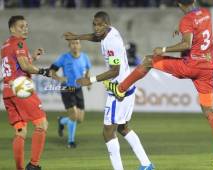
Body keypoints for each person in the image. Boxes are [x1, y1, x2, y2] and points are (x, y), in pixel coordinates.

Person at [104, 0, 213, 167]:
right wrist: (186, 31)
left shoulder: (186, 20)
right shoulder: (206, 13)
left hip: (190, 66)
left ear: (179, 4)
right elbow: (198, 33)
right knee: (208, 109)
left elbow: (187, 43)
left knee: (149, 60)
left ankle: (120, 89)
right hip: (207, 68)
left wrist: (163, 49)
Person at [64, 11, 154, 170]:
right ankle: (146, 164)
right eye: (95, 24)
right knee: (123, 128)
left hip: (118, 90)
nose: (96, 27)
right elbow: (96, 37)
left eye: (100, 24)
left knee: (107, 132)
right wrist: (77, 36)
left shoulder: (111, 43)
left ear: (107, 24)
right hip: (128, 86)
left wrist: (90, 80)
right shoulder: (111, 32)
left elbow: (114, 71)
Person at [1, 15, 50, 170]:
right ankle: (34, 165)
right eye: (21, 26)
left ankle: (20, 169)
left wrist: (32, 57)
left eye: (26, 26)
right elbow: (25, 67)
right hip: (21, 87)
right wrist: (44, 71)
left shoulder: (5, 45)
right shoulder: (19, 43)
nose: (25, 28)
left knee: (20, 131)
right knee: (42, 123)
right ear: (12, 29)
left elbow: (17, 63)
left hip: (8, 90)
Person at [49, 39, 92, 148]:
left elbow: (87, 71)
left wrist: (88, 82)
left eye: (77, 43)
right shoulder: (64, 58)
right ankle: (71, 142)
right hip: (67, 89)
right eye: (72, 43)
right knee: (74, 115)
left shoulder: (85, 57)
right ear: (69, 46)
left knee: (80, 119)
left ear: (80, 45)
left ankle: (62, 121)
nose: (75, 45)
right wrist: (59, 78)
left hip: (78, 89)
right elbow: (51, 71)